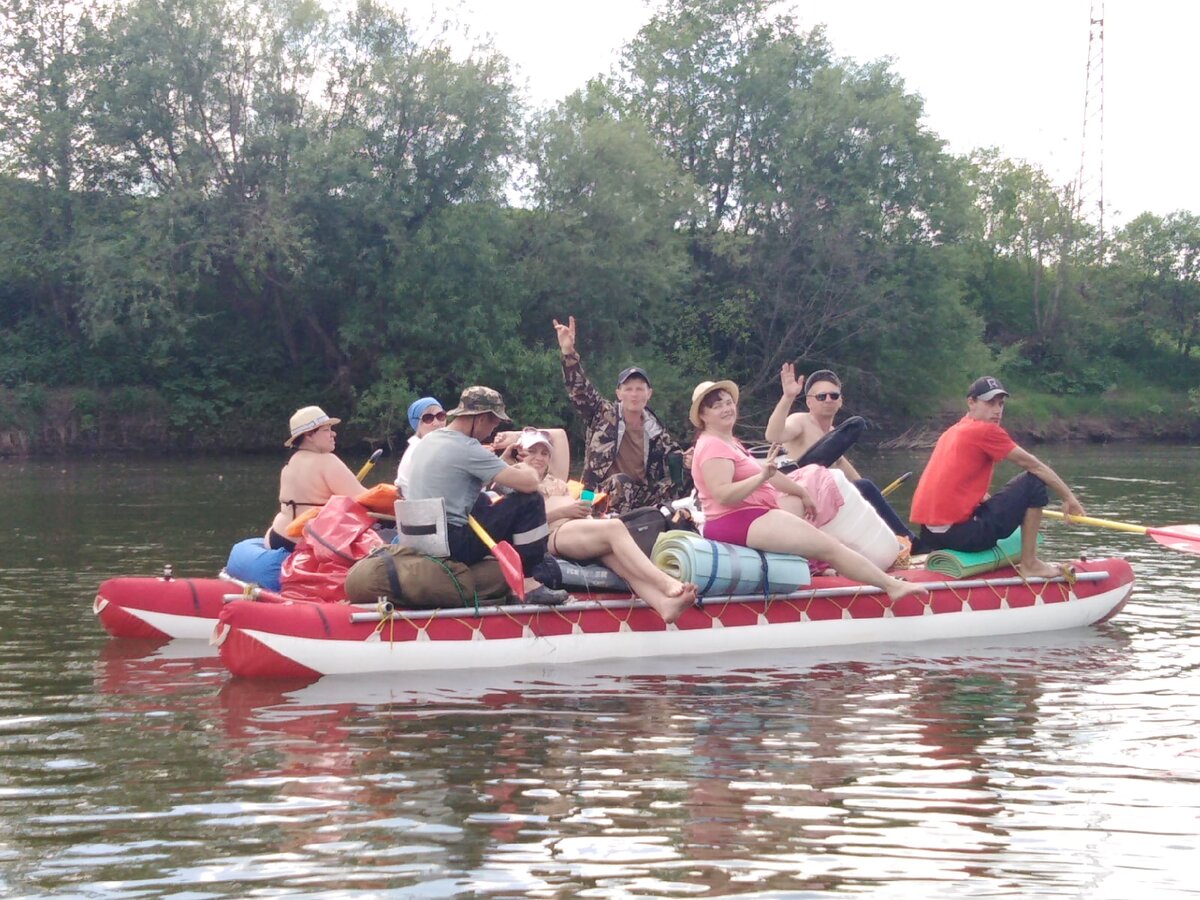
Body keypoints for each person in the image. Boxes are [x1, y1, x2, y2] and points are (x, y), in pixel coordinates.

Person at [691, 380, 928, 603]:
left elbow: (771, 474)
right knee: (831, 547)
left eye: (728, 402)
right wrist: (762, 476)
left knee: (816, 524)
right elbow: (723, 494)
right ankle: (891, 586)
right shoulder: (713, 446)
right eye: (716, 406)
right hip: (736, 520)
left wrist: (801, 492)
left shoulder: (729, 440)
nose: (726, 408)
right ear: (703, 415)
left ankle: (819, 565)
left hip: (750, 514)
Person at [510, 426, 698, 623]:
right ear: (520, 454)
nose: (539, 458)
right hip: (553, 532)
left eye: (544, 453)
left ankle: (663, 604)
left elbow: (559, 435)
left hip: (578, 527)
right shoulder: (514, 478)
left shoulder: (554, 478)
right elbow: (519, 524)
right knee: (615, 526)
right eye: (531, 452)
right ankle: (665, 582)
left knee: (619, 561)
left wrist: (582, 512)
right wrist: (513, 439)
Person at [406, 386, 569, 606]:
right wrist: (526, 466)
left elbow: (466, 480)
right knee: (531, 500)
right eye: (494, 423)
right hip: (452, 544)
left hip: (424, 538)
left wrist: (504, 459)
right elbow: (530, 484)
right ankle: (530, 584)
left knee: (482, 500)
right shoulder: (467, 447)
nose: (493, 429)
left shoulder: (430, 441)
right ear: (481, 418)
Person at [909, 376, 1086, 577]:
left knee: (999, 498)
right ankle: (1030, 563)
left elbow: (954, 482)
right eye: (990, 402)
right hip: (960, 537)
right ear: (971, 402)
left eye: (1001, 404)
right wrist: (1069, 498)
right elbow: (1034, 466)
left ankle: (1028, 557)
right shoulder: (985, 431)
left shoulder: (954, 431)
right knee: (1033, 483)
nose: (997, 410)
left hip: (930, 536)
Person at [553, 315, 689, 515]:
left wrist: (689, 460)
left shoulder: (655, 428)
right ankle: (617, 526)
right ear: (619, 393)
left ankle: (680, 519)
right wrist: (568, 352)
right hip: (599, 493)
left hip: (641, 493)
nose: (634, 394)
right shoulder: (604, 414)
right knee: (621, 481)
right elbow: (579, 390)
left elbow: (674, 455)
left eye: (640, 389)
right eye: (629, 389)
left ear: (649, 394)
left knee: (689, 477)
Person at [765, 364, 915, 541]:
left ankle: (895, 542)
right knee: (864, 488)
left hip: (827, 500)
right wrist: (788, 397)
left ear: (840, 400)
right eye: (821, 396)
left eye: (833, 395)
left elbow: (852, 475)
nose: (828, 399)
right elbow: (773, 435)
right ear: (809, 402)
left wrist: (871, 499)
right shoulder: (800, 421)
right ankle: (911, 540)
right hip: (800, 498)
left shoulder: (835, 435)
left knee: (864, 488)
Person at [267, 406, 365, 552]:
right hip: (306, 540)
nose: (333, 434)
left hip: (276, 535)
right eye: (326, 430)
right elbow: (365, 500)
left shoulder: (290, 462)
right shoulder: (327, 461)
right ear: (309, 436)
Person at [394, 396, 446, 497]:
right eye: (428, 418)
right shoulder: (423, 449)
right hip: (427, 509)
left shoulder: (422, 446)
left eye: (440, 416)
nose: (436, 423)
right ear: (417, 423)